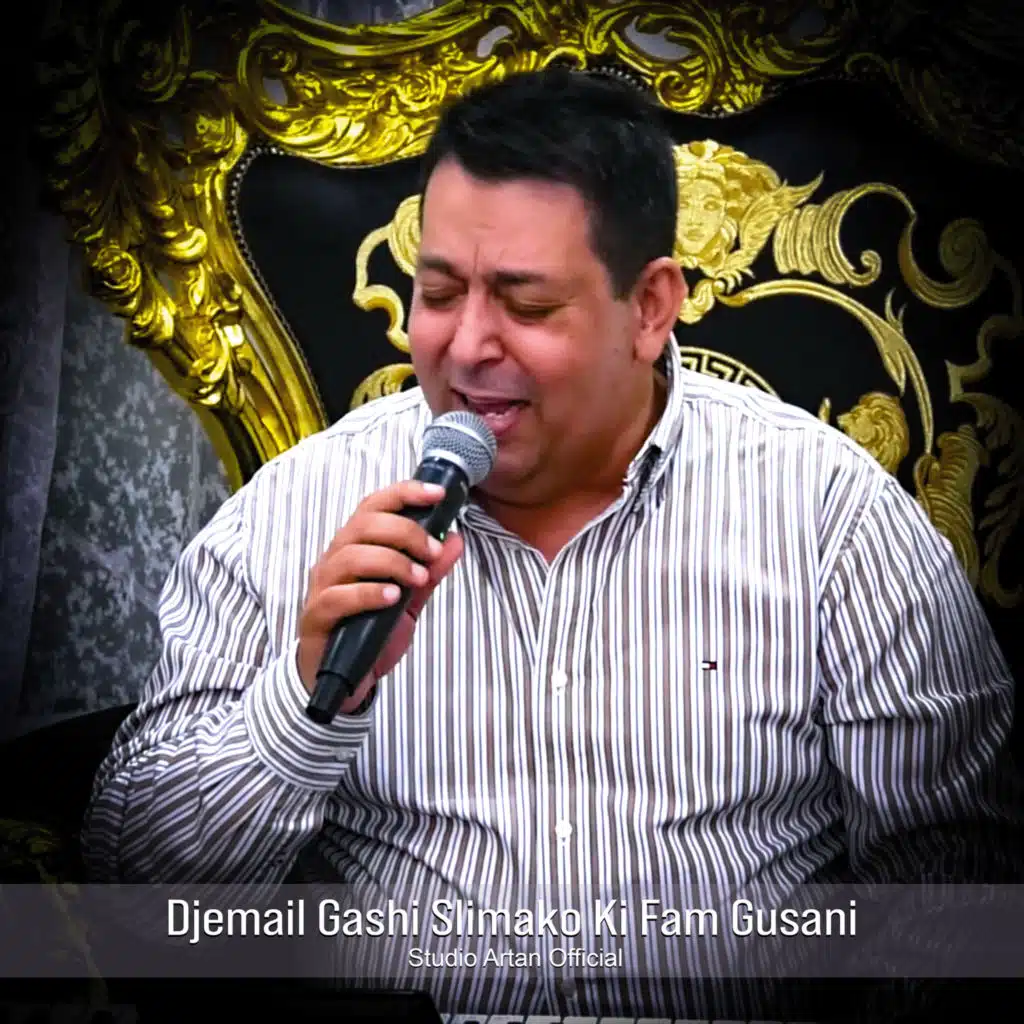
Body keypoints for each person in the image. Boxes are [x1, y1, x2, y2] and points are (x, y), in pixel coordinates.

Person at [83, 67, 1021, 1019]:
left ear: (650, 307)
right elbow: (132, 898)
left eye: (526, 306)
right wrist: (303, 704)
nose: (466, 347)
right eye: (438, 293)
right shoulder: (297, 510)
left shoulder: (830, 516)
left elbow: (961, 895)